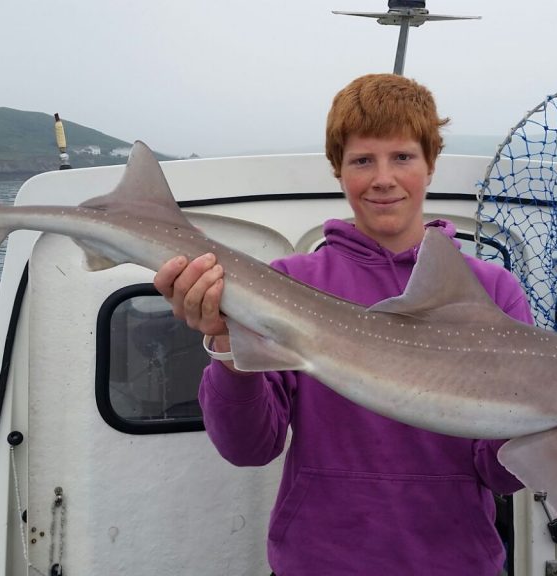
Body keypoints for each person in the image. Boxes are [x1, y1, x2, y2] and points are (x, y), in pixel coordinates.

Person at [154, 74, 530, 574]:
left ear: (430, 164)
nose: (383, 178)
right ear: (337, 170)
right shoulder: (289, 285)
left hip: (455, 561)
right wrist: (227, 345)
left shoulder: (493, 292)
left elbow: (498, 473)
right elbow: (250, 447)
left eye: (402, 157)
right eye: (361, 160)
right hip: (318, 560)